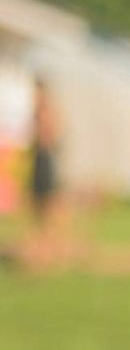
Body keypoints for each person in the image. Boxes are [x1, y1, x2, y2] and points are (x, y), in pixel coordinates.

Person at [25, 77, 65, 269]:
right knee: (37, 203)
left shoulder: (46, 110)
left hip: (44, 158)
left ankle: (48, 247)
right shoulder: (37, 111)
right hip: (39, 158)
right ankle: (44, 245)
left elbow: (51, 135)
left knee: (46, 203)